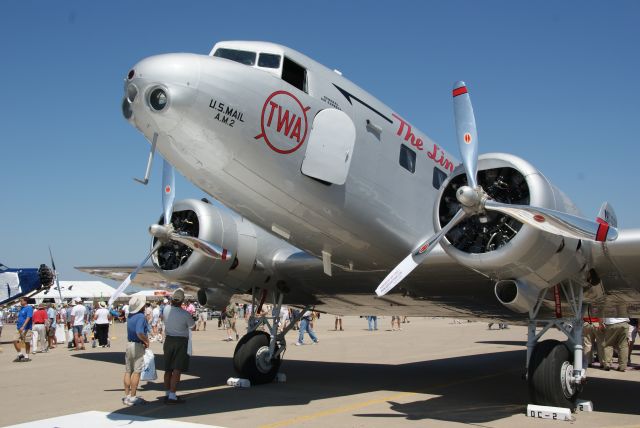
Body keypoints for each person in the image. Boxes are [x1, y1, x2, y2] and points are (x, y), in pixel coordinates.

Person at [162, 288, 195, 404]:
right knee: (177, 369)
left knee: (167, 369)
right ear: (182, 301)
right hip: (180, 342)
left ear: (172, 299)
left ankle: (167, 393)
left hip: (168, 340)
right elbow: (193, 327)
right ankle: (172, 395)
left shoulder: (166, 309)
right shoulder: (185, 314)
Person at [123, 295, 150, 406]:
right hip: (137, 345)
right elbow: (139, 332)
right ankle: (133, 397)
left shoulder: (130, 315)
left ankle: (127, 395)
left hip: (129, 344)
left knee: (128, 370)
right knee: (136, 372)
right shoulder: (140, 316)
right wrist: (146, 341)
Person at [13, 297, 33, 362]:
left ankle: (27, 356)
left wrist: (23, 326)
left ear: (25, 301)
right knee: (15, 340)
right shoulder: (21, 308)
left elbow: (28, 317)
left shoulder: (29, 308)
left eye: (21, 301)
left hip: (26, 328)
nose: (20, 302)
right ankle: (20, 354)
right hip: (19, 328)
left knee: (27, 342)